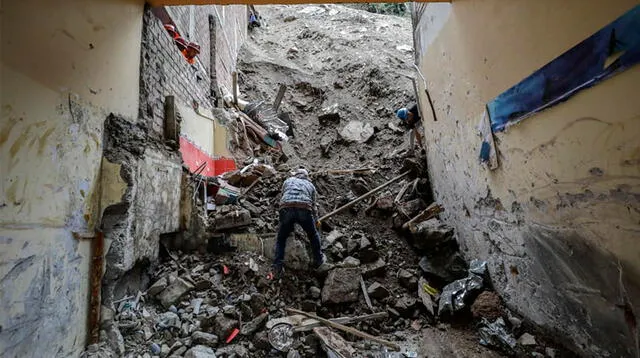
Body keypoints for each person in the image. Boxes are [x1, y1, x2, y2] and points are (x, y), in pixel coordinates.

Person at [270, 168, 331, 279]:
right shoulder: (310, 185)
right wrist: (316, 220)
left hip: (286, 208)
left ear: (296, 175)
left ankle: (277, 265)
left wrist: (281, 220)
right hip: (304, 209)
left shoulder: (288, 181)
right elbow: (314, 206)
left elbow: (283, 196)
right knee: (313, 235)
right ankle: (319, 260)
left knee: (281, 238)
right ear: (306, 176)